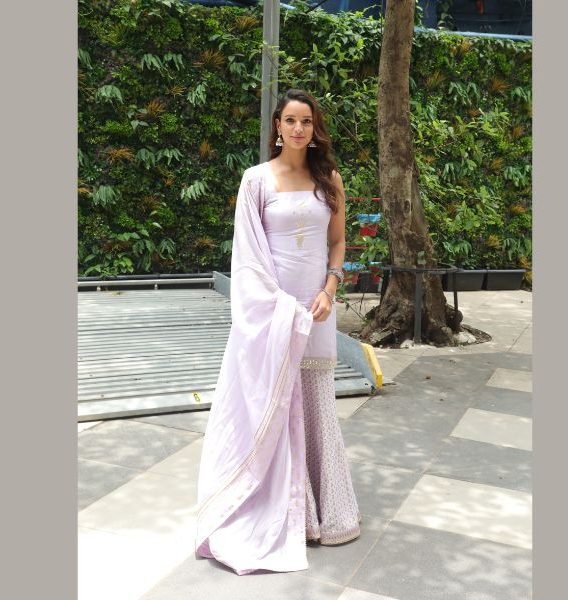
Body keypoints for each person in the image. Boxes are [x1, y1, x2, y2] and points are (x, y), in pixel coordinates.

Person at [195, 89, 361, 575]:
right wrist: (281, 309)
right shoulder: (257, 180)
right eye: (290, 120)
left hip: (318, 310)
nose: (298, 129)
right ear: (277, 126)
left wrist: (330, 288)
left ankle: (323, 513)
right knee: (274, 401)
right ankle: (281, 511)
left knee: (315, 403)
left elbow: (337, 242)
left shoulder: (329, 178)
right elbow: (247, 258)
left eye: (306, 121)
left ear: (315, 128)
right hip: (274, 315)